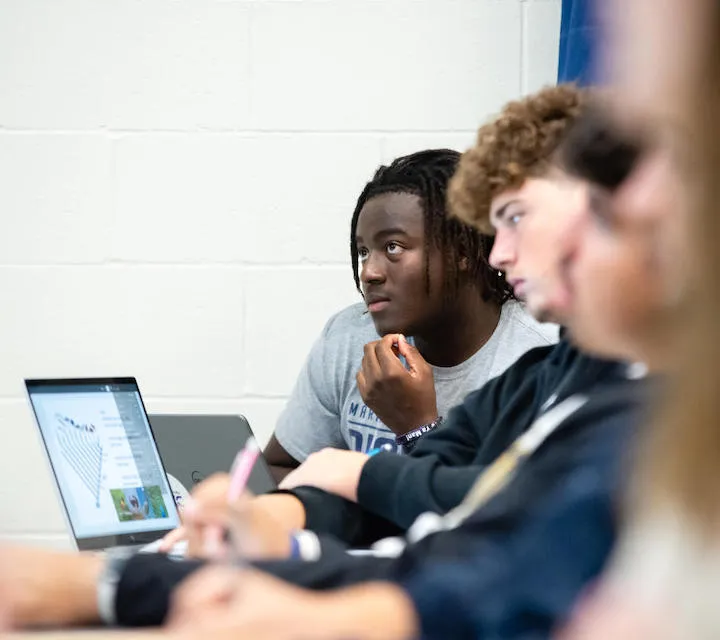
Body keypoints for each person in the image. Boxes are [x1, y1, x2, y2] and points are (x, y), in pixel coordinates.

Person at [0, 85, 654, 639]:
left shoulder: (623, 388)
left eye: (514, 219)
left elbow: (479, 529)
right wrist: (272, 521)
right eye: (363, 252)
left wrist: (362, 471)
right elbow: (380, 496)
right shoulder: (538, 377)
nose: (501, 253)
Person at [264, 149, 557, 480]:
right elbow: (281, 467)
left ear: (462, 250)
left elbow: (502, 520)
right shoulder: (349, 336)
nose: (369, 272)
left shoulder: (541, 360)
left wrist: (418, 427)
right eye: (363, 251)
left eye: (393, 247)